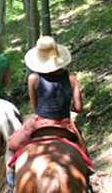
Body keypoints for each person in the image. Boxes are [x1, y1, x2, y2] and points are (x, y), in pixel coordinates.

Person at [5, 36, 88, 191]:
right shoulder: (71, 78)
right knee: (84, 152)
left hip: (39, 123)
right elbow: (78, 107)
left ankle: (10, 181)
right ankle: (87, 181)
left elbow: (36, 107)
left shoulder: (33, 78)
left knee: (10, 146)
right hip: (65, 125)